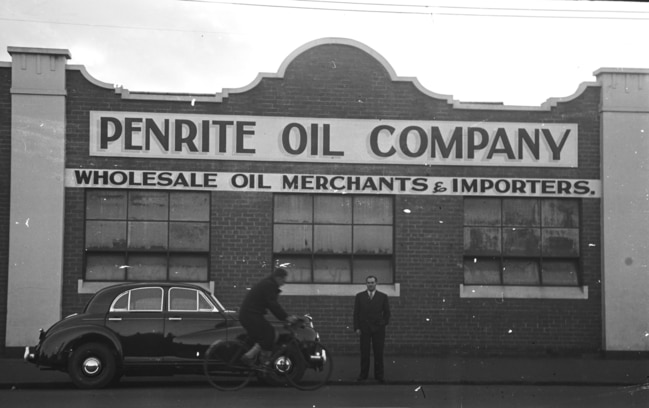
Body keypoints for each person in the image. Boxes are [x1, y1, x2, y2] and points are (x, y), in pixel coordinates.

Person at [239, 267, 296, 365]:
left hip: (250, 314)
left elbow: (272, 304)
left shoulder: (267, 284)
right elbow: (273, 304)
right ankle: (250, 357)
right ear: (278, 278)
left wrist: (284, 317)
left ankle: (259, 361)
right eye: (283, 279)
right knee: (270, 334)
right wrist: (286, 317)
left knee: (266, 335)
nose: (284, 282)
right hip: (250, 315)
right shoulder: (269, 285)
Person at [353, 275, 391, 383]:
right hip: (364, 329)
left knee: (378, 353)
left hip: (378, 330)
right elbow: (356, 313)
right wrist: (357, 328)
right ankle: (363, 375)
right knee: (364, 353)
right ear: (366, 284)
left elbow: (387, 313)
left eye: (372, 282)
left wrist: (382, 323)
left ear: (376, 283)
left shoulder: (382, 297)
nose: (370, 284)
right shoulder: (359, 296)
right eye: (368, 282)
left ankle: (379, 375)